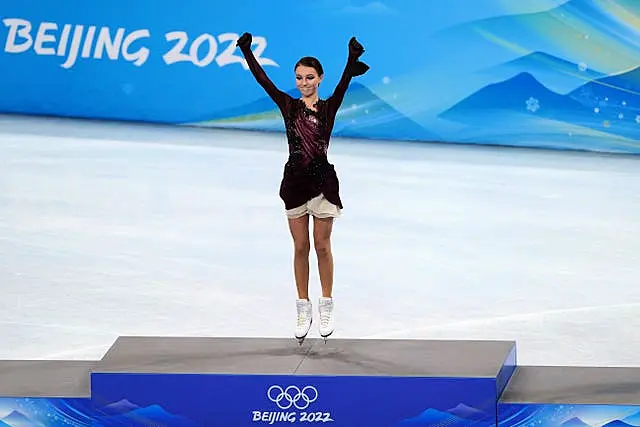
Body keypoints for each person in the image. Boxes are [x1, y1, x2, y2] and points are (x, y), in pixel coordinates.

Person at [236, 32, 369, 343]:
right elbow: (263, 81)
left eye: (310, 77)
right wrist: (246, 51)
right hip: (295, 184)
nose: (304, 82)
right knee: (300, 247)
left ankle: (326, 303)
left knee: (322, 246)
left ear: (320, 79)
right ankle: (302, 306)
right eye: (299, 77)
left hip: (322, 184)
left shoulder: (328, 108)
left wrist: (351, 60)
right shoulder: (288, 106)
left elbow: (345, 82)